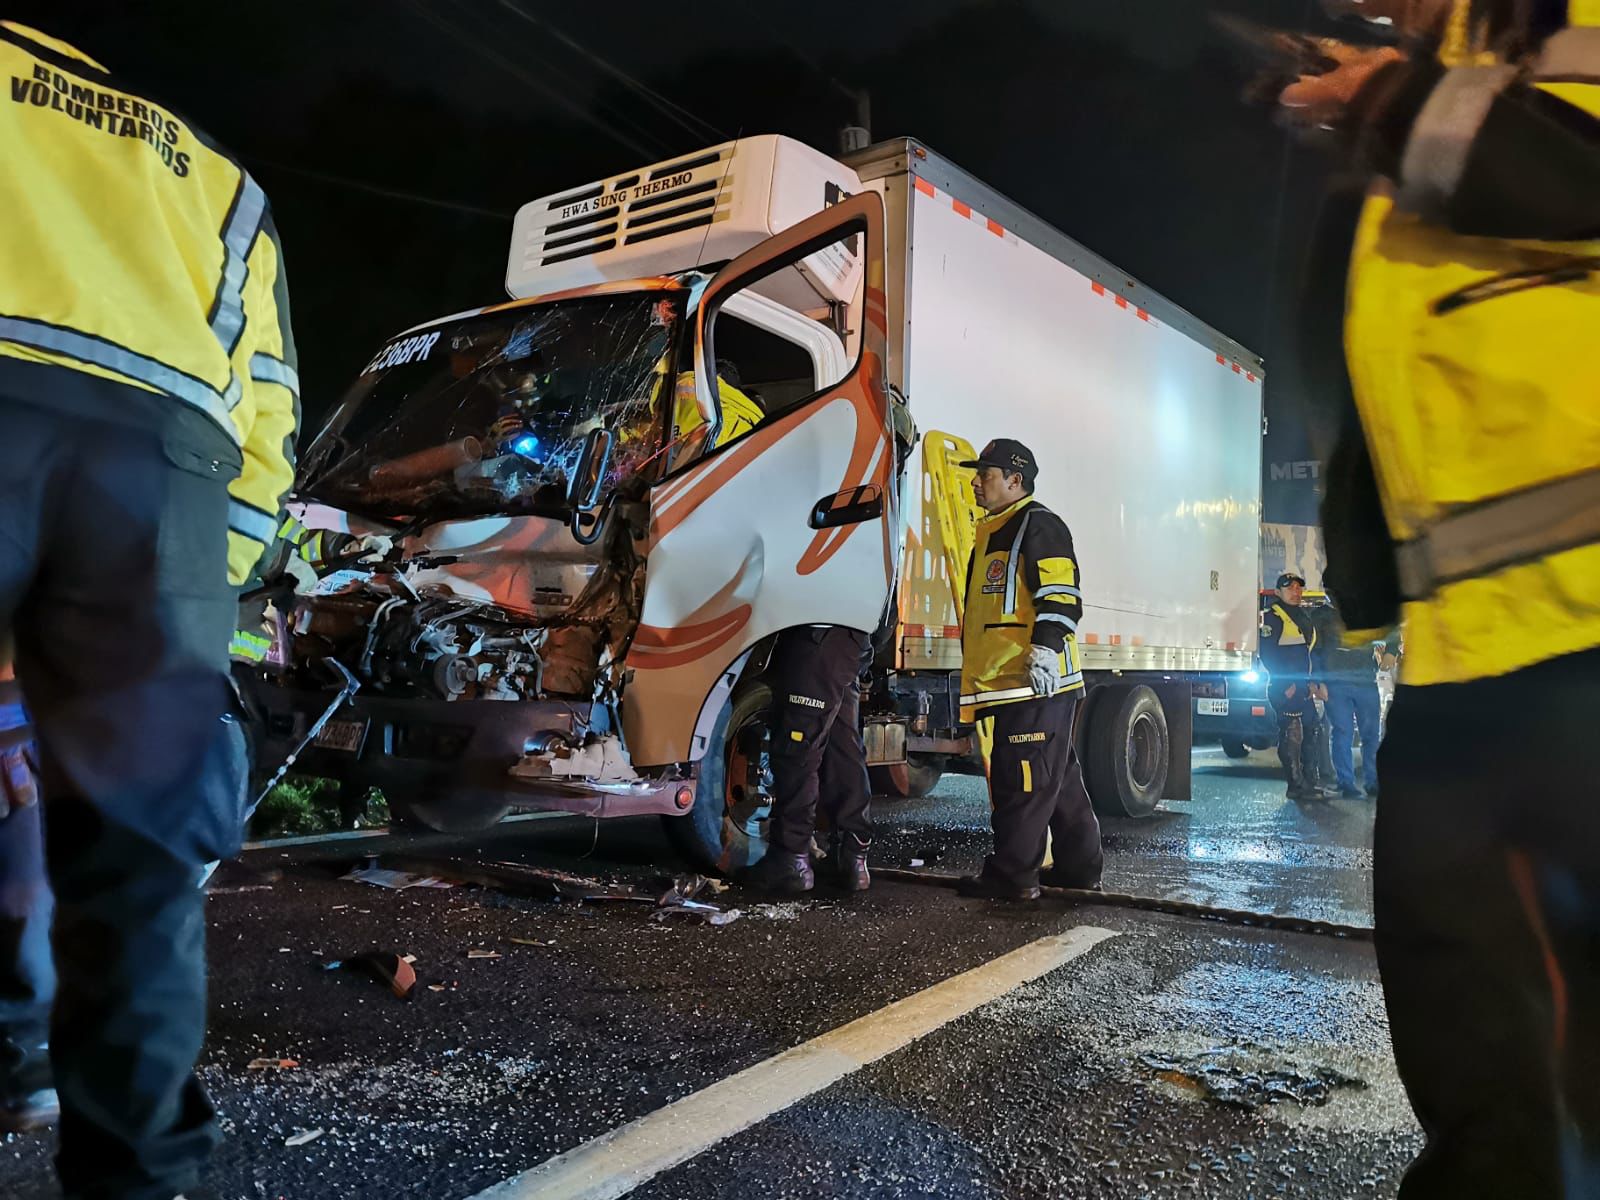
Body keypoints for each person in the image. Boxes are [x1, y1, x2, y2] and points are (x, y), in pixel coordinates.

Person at [1276, 0, 1600, 1193]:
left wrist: (1388, 102)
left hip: (1574, 637)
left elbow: (1562, 169)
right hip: (1472, 651)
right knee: (1489, 1083)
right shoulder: (1448, 65)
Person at [0, 21, 299, 1200]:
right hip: (162, 468)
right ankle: (137, 1179)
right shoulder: (209, 174)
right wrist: (194, 591)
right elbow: (265, 414)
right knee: (137, 866)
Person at [953, 439, 1101, 901]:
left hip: (1035, 680)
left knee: (1022, 781)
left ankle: (1012, 876)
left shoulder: (1039, 525)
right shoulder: (996, 529)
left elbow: (1061, 595)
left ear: (1015, 481)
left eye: (987, 474)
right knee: (1056, 782)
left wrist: (1045, 650)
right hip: (1018, 682)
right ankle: (1079, 869)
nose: (976, 481)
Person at [740, 626, 875, 894]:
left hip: (818, 632)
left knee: (797, 748)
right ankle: (851, 858)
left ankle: (791, 859)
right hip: (848, 636)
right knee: (841, 745)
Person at [1259, 573, 1335, 800]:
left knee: (1313, 728)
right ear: (1278, 592)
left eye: (1298, 587)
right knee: (1292, 734)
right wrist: (1286, 684)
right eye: (1289, 587)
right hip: (1285, 687)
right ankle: (1295, 786)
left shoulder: (1304, 616)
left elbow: (1310, 654)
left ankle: (1311, 782)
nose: (1295, 591)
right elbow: (1268, 655)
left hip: (1304, 686)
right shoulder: (1272, 617)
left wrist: (1315, 681)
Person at [1322, 608, 1398, 799]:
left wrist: (1391, 652)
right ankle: (1346, 783)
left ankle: (1372, 782)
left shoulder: (1368, 612)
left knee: (1371, 736)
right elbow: (1314, 648)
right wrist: (1318, 680)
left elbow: (1392, 633)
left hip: (1365, 682)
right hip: (1337, 684)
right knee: (1343, 733)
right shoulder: (1323, 616)